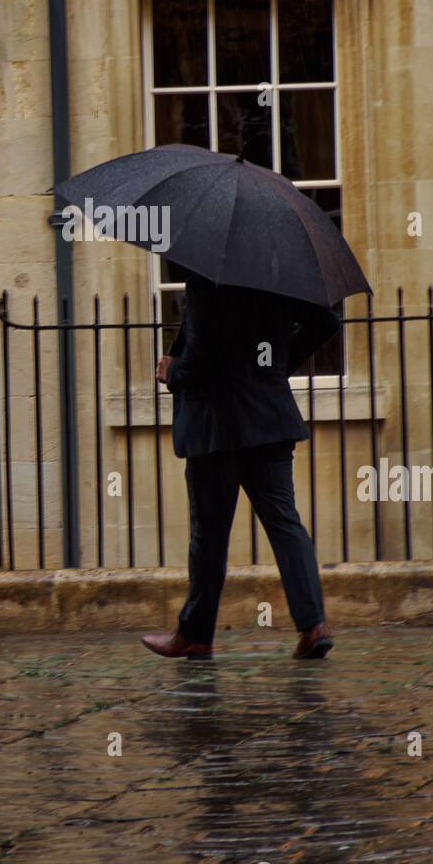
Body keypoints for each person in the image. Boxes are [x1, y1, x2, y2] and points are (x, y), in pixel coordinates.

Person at [142, 272, 340, 661]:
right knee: (285, 523)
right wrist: (276, 365)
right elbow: (326, 322)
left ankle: (196, 636)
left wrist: (172, 372)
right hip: (270, 419)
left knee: (209, 537)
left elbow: (199, 359)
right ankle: (314, 626)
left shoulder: (204, 281)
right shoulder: (278, 275)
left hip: (215, 429)